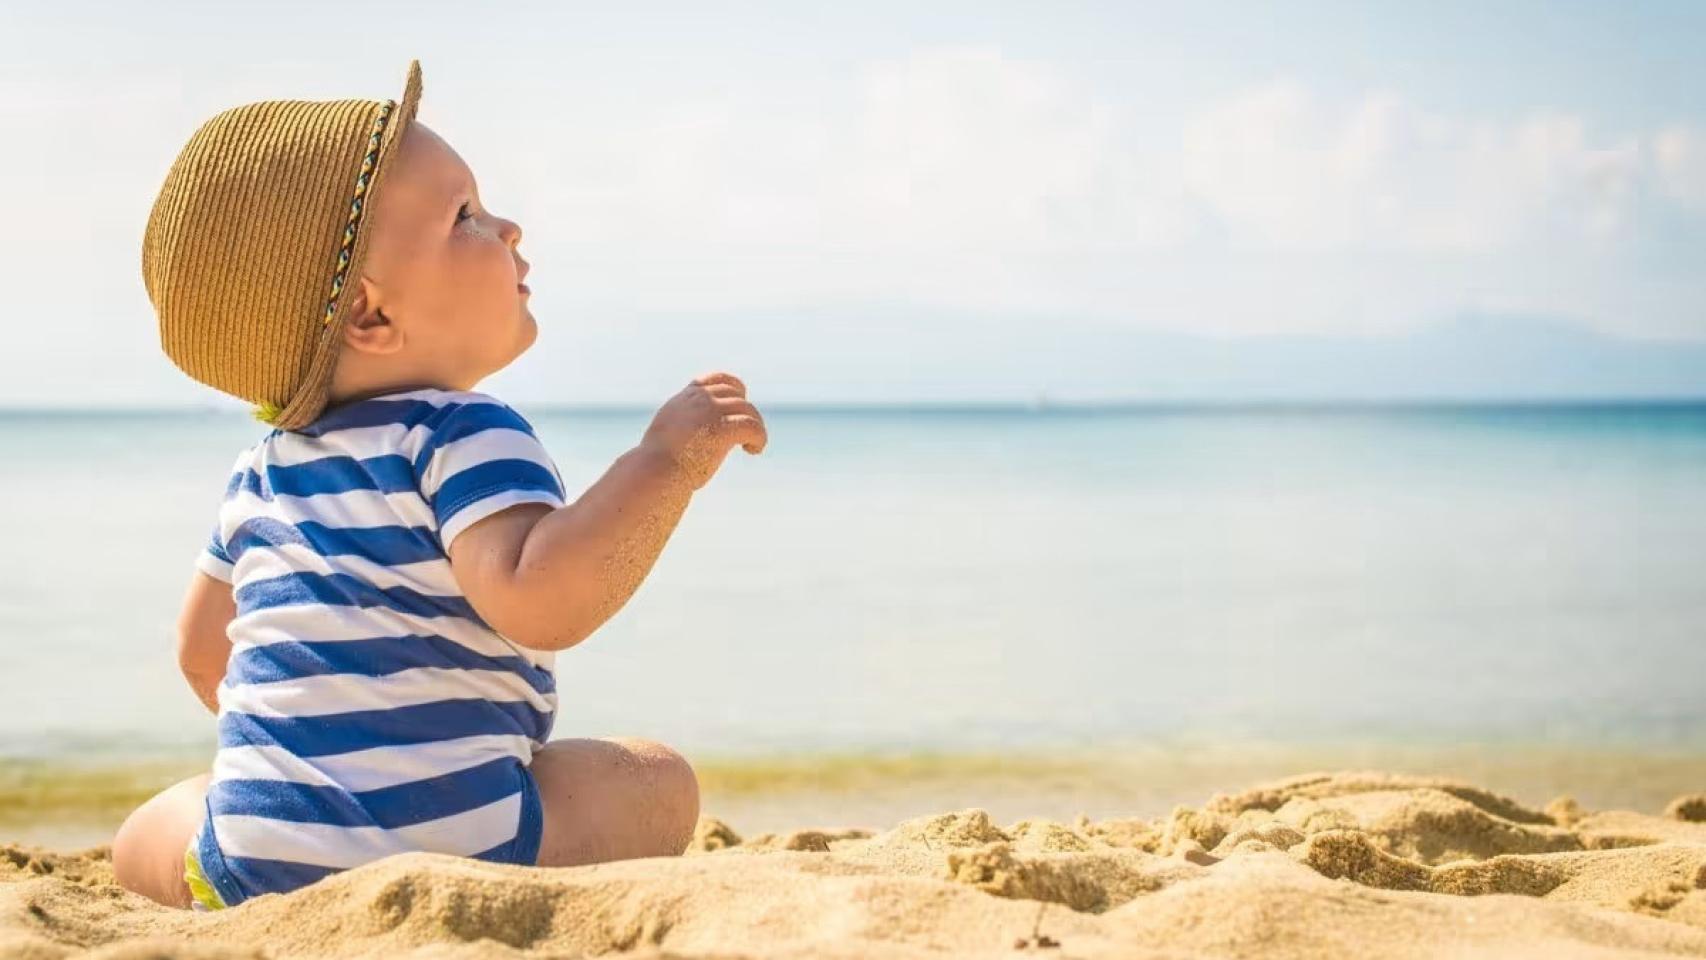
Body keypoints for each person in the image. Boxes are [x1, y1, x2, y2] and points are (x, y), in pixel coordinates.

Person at [113, 60, 767, 911]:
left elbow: (205, 656)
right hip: (467, 845)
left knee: (147, 835)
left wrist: (324, 763)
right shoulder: (463, 432)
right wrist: (664, 465)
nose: (510, 228)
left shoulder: (263, 469)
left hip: (258, 860)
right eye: (465, 216)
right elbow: (542, 600)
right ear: (369, 317)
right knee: (659, 780)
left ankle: (241, 855)